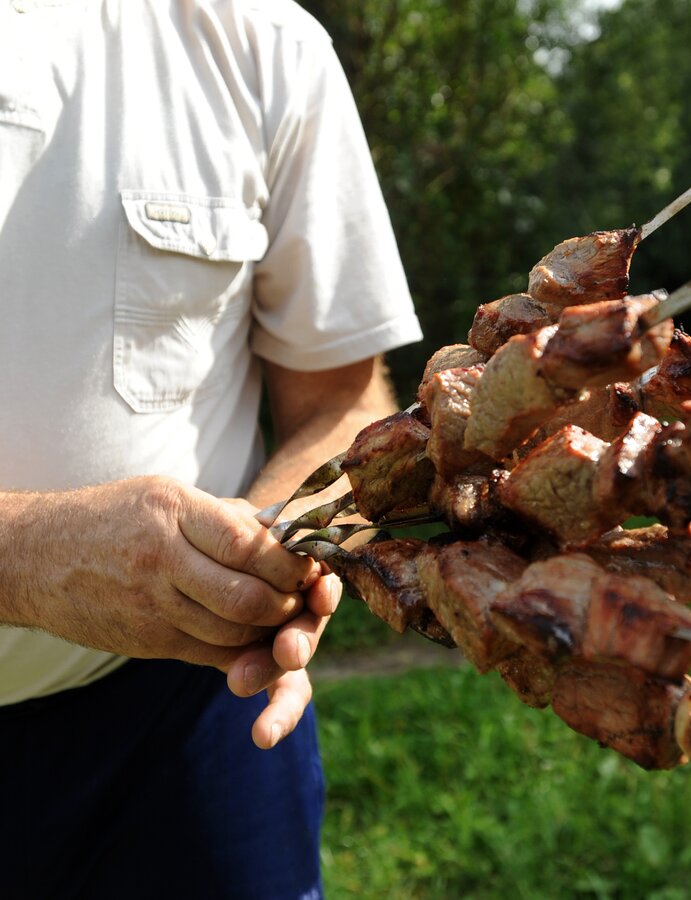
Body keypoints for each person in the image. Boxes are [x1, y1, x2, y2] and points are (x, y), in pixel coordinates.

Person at [0, 0, 422, 896]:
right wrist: (25, 559)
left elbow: (347, 401)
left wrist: (269, 558)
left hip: (190, 721)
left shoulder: (263, 44)